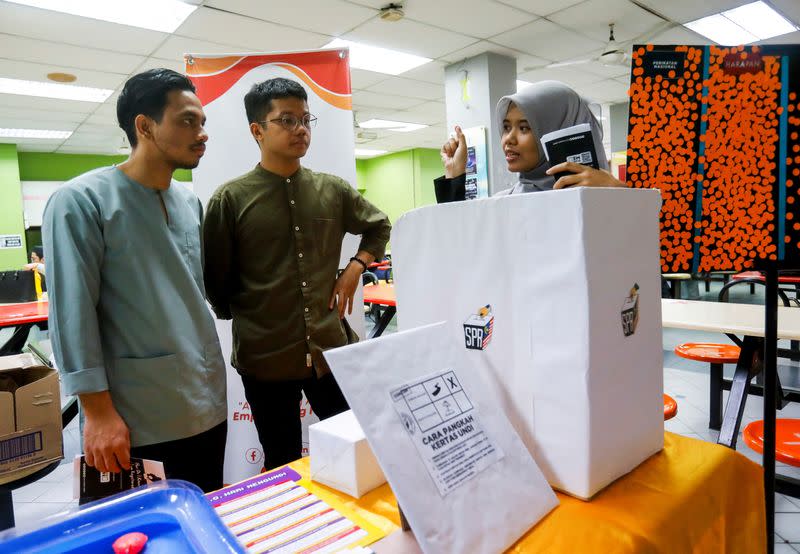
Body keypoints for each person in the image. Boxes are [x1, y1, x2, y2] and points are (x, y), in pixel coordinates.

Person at [42, 69, 227, 492]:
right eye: (186, 121)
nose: (201, 133)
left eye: (202, 122)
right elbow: (72, 314)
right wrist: (97, 412)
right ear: (144, 126)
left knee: (203, 516)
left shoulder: (188, 201)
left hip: (206, 400)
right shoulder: (80, 201)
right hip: (136, 415)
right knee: (143, 534)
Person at [203, 78, 391, 470]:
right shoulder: (230, 199)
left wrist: (355, 267)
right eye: (286, 120)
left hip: (329, 348)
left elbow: (379, 225)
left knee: (354, 444)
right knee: (281, 457)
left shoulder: (332, 190)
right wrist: (260, 309)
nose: (300, 129)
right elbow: (217, 284)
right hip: (265, 357)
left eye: (305, 119)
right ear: (257, 130)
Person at [435, 80, 624, 202]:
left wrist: (620, 194)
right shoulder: (504, 203)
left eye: (524, 127)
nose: (509, 138)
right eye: (507, 127)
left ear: (561, 130)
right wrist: (454, 175)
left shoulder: (601, 194)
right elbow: (458, 244)